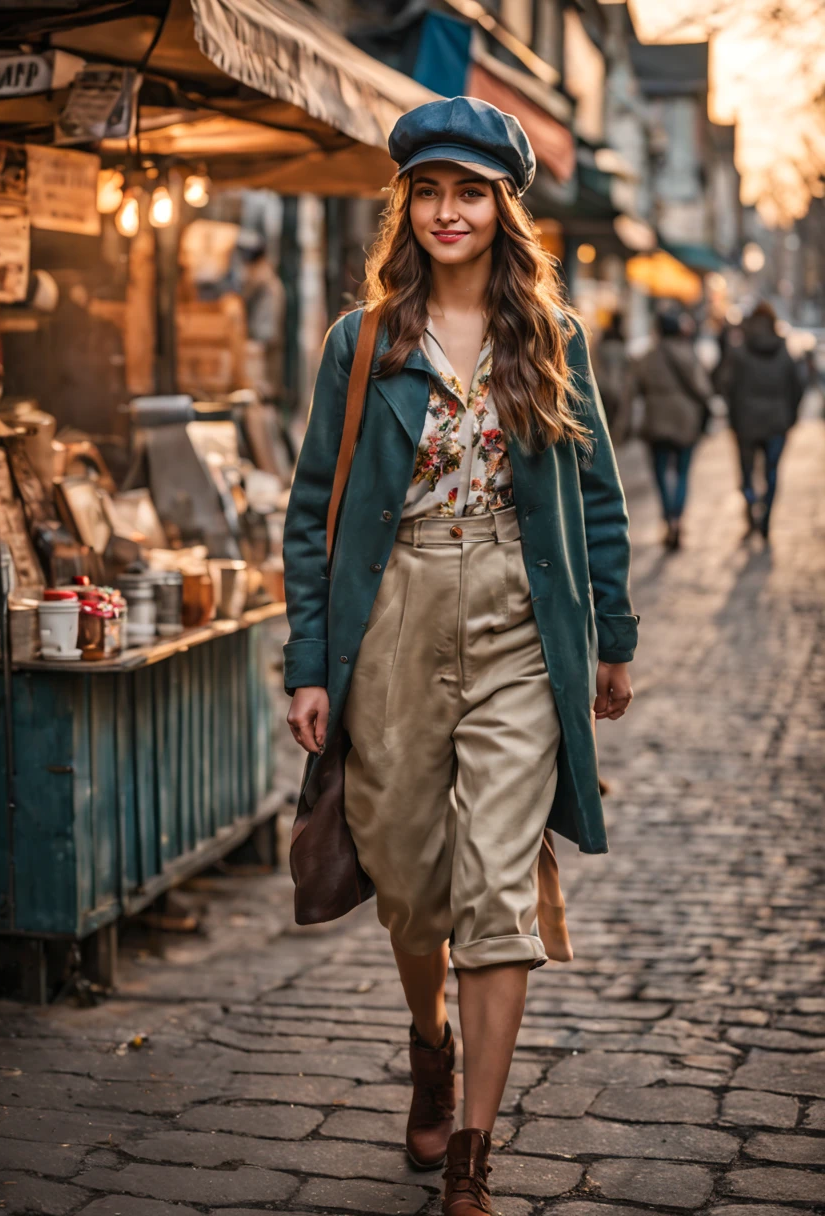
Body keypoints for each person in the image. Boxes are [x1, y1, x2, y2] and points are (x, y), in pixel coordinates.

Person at [283, 97, 638, 1214]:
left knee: (493, 883)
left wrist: (611, 640)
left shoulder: (551, 336)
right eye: (430, 190)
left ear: (502, 207)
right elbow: (309, 514)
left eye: (470, 192)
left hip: (519, 613)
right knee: (407, 878)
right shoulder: (364, 341)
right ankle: (425, 1037)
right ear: (409, 205)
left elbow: (597, 500)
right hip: (391, 611)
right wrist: (308, 659)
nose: (448, 210)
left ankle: (473, 1153)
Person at [718, 301, 803, 539]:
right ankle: (765, 514)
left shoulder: (740, 350)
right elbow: (798, 386)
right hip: (777, 421)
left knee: (747, 472)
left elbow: (725, 383)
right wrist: (790, 416)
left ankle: (751, 503)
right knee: (772, 471)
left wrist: (735, 411)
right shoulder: (783, 351)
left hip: (746, 423)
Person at [633, 309, 713, 550]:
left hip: (657, 421)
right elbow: (703, 389)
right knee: (682, 473)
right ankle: (677, 518)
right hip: (686, 422)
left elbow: (636, 386)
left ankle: (668, 515)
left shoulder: (648, 357)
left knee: (659, 472)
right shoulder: (690, 354)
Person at [594, 311, 632, 444]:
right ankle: (612, 437)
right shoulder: (622, 340)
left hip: (602, 381)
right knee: (615, 412)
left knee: (605, 411)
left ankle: (606, 435)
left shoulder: (604, 339)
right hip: (617, 383)